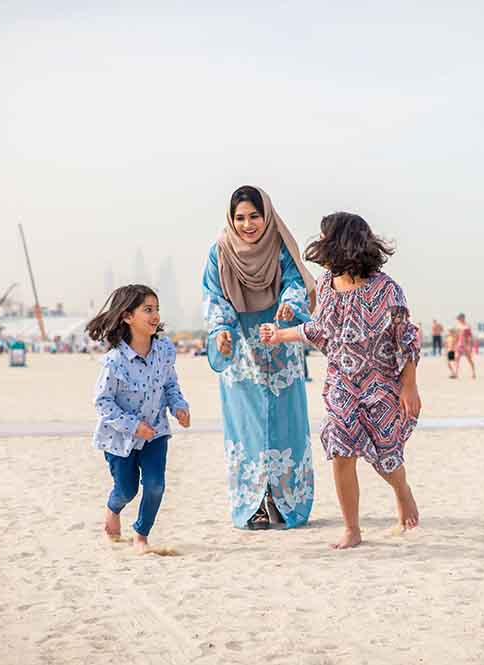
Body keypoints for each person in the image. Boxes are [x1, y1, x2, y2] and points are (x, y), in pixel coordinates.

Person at [260, 212, 421, 549]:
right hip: (341, 385)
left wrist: (409, 386)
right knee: (341, 452)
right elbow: (319, 331)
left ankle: (401, 490)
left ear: (341, 242)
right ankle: (352, 529)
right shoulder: (325, 287)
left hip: (382, 386)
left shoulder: (386, 289)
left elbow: (406, 338)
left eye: (324, 237)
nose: (318, 243)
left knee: (386, 458)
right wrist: (280, 335)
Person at [202, 186, 316, 531]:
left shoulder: (280, 249)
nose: (248, 224)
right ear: (230, 219)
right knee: (246, 428)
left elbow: (296, 285)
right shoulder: (219, 253)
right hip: (240, 350)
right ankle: (254, 506)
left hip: (280, 344)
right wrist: (221, 331)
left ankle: (285, 504)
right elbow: (213, 297)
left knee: (286, 425)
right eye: (240, 218)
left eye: (254, 216)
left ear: (267, 216)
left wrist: (290, 305)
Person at [87, 285, 191, 554]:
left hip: (156, 432)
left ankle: (141, 535)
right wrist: (133, 426)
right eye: (147, 310)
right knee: (126, 490)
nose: (155, 315)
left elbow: (170, 384)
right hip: (119, 438)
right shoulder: (115, 361)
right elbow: (102, 402)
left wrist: (179, 406)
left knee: (156, 484)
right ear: (127, 316)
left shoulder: (165, 350)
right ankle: (113, 509)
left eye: (156, 309)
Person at [453, 313, 477, 379]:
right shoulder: (458, 326)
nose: (458, 320)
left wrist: (471, 346)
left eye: (459, 318)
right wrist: (454, 344)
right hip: (459, 345)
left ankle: (473, 372)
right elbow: (456, 336)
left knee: (469, 359)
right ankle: (456, 373)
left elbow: (470, 336)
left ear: (463, 318)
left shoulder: (467, 326)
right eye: (458, 318)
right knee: (457, 359)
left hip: (466, 345)